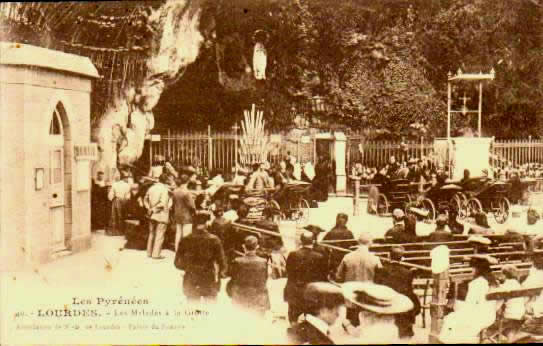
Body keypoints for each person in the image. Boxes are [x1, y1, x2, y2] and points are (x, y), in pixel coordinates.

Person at [440, 255, 499, 343]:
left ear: (477, 269)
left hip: (479, 317)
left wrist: (458, 307)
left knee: (450, 319)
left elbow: (469, 305)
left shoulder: (476, 283)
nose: (472, 270)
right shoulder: (493, 282)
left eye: (473, 268)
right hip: (490, 315)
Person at [175, 212, 227, 303]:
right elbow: (222, 262)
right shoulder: (214, 240)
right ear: (207, 224)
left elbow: (177, 263)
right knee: (210, 310)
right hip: (209, 278)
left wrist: (187, 267)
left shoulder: (185, 239)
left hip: (191, 278)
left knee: (192, 309)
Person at [341, 282, 414, 344]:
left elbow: (362, 334)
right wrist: (349, 326)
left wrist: (348, 325)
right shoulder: (390, 323)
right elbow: (360, 331)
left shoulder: (372, 328)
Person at [335, 232, 382, 327]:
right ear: (370, 243)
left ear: (358, 242)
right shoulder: (375, 259)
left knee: (351, 319)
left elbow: (339, 276)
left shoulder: (347, 257)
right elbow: (380, 277)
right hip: (368, 294)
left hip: (351, 293)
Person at [374, 246, 421, 338]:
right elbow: (409, 290)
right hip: (400, 301)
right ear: (402, 258)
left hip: (385, 299)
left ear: (389, 256)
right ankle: (406, 330)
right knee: (412, 301)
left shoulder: (381, 270)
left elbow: (377, 286)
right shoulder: (407, 273)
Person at [284, 231, 328, 325]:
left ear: (301, 241)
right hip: (311, 292)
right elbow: (323, 276)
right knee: (312, 319)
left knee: (293, 317)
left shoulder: (293, 254)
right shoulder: (319, 257)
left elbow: (288, 271)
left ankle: (294, 336)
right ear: (313, 241)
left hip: (295, 291)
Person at [226, 236, 270, 316]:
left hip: (241, 297)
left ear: (243, 247)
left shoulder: (237, 261)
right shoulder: (263, 262)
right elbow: (265, 279)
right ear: (257, 247)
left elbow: (233, 279)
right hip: (258, 299)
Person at [491, 264, 525, 341]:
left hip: (509, 316)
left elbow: (497, 305)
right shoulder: (517, 284)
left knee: (493, 314)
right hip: (520, 314)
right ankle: (508, 336)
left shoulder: (506, 286)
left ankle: (499, 336)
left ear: (504, 275)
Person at [143, 173, 172, 259]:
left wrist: (149, 208)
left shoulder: (151, 188)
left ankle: (149, 252)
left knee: (151, 233)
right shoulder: (164, 190)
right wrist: (154, 209)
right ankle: (156, 254)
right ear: (166, 181)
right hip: (161, 215)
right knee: (159, 235)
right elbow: (162, 203)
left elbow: (145, 199)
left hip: (151, 214)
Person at [172, 174, 195, 252]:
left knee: (178, 233)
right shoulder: (187, 192)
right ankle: (186, 252)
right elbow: (192, 206)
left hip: (177, 214)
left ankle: (177, 250)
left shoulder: (175, 191)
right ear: (187, 181)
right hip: (186, 216)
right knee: (187, 235)